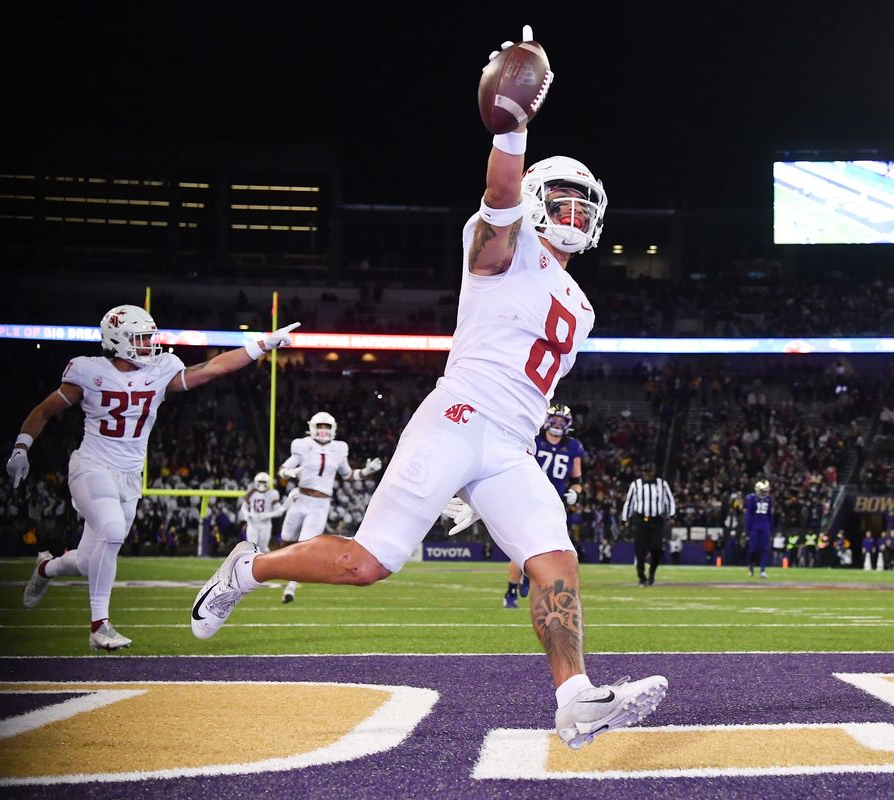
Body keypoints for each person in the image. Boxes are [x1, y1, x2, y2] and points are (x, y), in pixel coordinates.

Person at [189, 25, 666, 750]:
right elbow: (500, 191)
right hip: (457, 414)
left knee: (555, 558)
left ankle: (575, 700)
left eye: (582, 205)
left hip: (509, 442)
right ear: (538, 199)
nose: (572, 215)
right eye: (560, 199)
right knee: (369, 563)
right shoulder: (502, 243)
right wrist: (514, 126)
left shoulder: (585, 307)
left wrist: (478, 486)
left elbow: (532, 392)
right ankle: (245, 569)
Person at [11, 304, 297, 650]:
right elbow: (44, 411)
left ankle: (45, 569)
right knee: (113, 530)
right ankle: (99, 626)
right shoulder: (89, 372)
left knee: (88, 563)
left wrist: (261, 345)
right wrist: (21, 448)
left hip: (130, 475)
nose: (149, 345)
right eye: (141, 339)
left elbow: (214, 367)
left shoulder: (161, 370)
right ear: (117, 341)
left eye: (149, 338)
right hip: (91, 466)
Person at [277, 411, 383, 603]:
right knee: (286, 539)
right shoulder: (302, 445)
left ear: (333, 428)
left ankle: (290, 587)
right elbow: (283, 470)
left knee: (304, 544)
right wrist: (288, 472)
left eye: (327, 427)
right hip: (300, 499)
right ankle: (275, 567)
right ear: (312, 428)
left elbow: (348, 475)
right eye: (320, 426)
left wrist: (366, 471)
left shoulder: (339, 448)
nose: (324, 431)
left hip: (320, 505)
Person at [503, 403, 584, 609]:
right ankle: (511, 592)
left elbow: (578, 480)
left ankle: (530, 578)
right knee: (522, 547)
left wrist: (575, 492)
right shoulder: (534, 440)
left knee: (550, 549)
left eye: (561, 421)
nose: (557, 424)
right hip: (528, 498)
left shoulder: (573, 446)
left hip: (555, 502)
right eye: (554, 420)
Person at [621, 461, 676, 586]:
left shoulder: (662, 484)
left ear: (654, 472)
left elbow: (669, 501)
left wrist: (672, 515)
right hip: (640, 520)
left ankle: (652, 572)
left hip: (656, 520)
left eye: (649, 472)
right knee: (640, 549)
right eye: (645, 472)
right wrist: (624, 520)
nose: (647, 474)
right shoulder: (636, 485)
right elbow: (629, 503)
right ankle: (641, 575)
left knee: (657, 548)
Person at [240, 472, 285, 552]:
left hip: (265, 524)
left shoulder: (272, 493)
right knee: (251, 548)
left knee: (263, 548)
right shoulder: (251, 492)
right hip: (253, 523)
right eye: (260, 482)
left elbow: (279, 511)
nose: (261, 484)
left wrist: (267, 515)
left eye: (264, 482)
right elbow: (244, 507)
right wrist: (247, 515)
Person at [745, 479, 774, 578]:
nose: (765, 492)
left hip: (765, 526)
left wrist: (771, 528)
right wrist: (747, 529)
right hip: (755, 526)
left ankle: (762, 570)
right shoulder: (751, 499)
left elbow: (770, 514)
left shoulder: (769, 499)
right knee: (752, 549)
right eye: (763, 490)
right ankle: (751, 566)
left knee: (764, 549)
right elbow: (748, 515)